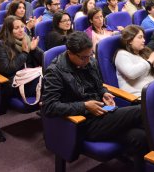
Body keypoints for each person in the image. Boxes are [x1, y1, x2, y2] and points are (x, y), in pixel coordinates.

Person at [42, 31, 148, 170]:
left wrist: (104, 93)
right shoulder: (55, 72)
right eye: (83, 58)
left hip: (102, 112)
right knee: (143, 110)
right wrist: (84, 106)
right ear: (70, 53)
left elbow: (99, 86)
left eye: (90, 55)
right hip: (84, 123)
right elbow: (49, 107)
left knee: (141, 137)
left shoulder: (90, 60)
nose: (88, 61)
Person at [0, 16, 43, 98]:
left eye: (22, 27)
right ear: (8, 31)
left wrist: (34, 49)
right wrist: (24, 53)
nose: (21, 30)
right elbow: (6, 70)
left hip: (31, 75)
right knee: (51, 82)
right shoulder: (0, 45)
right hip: (14, 83)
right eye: (16, 28)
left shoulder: (26, 39)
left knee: (54, 76)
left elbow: (43, 61)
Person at [115, 25, 154, 97]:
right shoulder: (122, 55)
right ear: (130, 40)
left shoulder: (144, 52)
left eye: (143, 37)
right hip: (138, 96)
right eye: (140, 37)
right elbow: (131, 74)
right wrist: (150, 61)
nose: (144, 40)